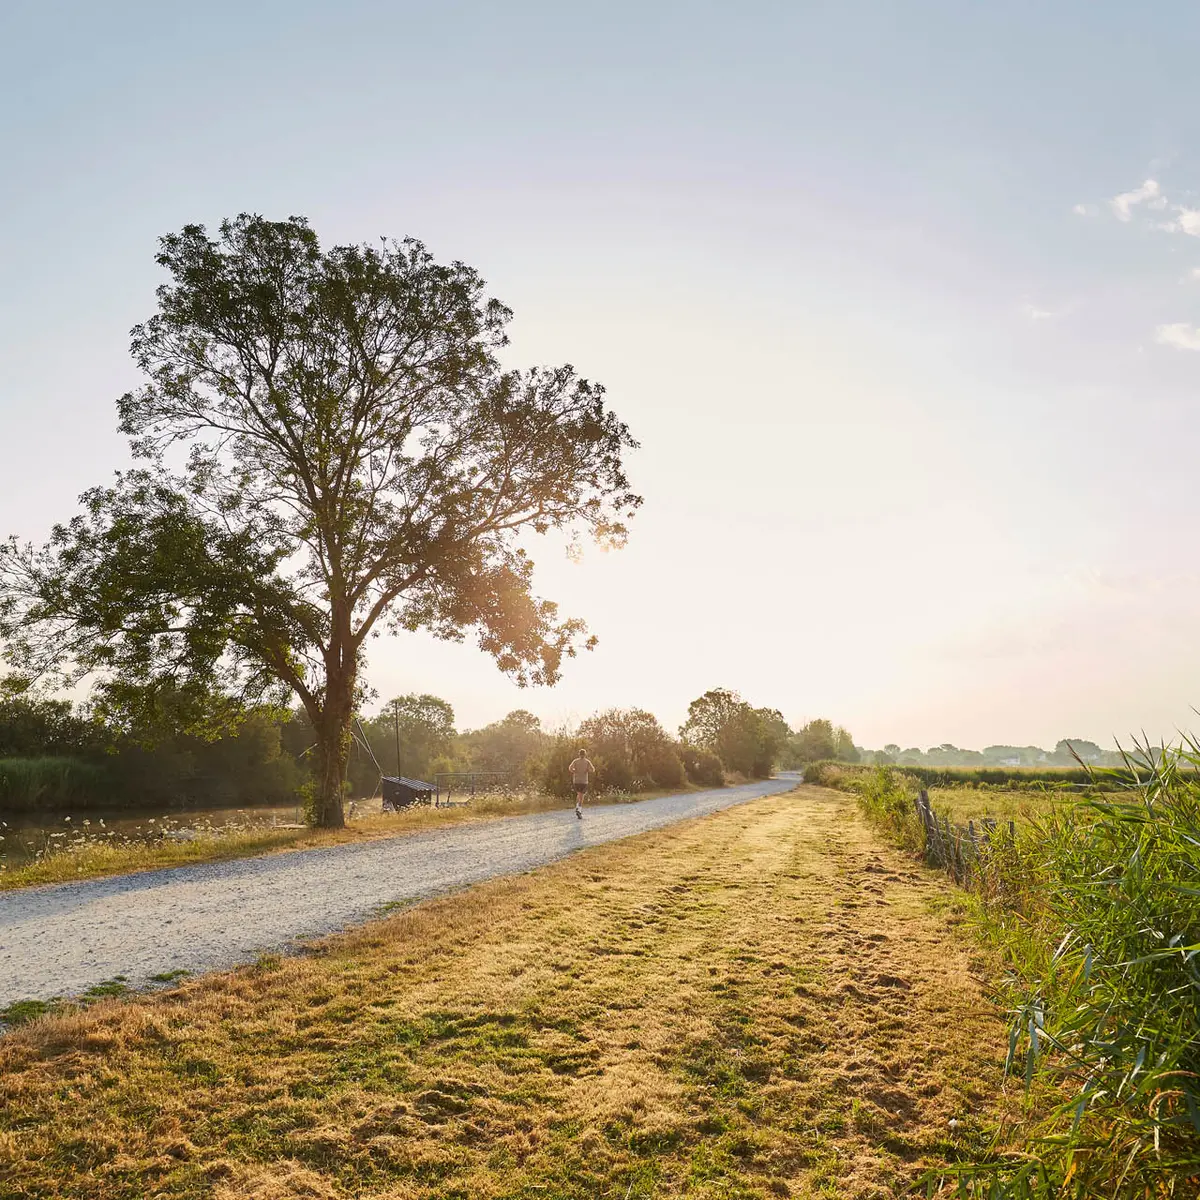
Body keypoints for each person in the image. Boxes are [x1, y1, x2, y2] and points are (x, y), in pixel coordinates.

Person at [568, 747, 594, 819]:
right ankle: (579, 810)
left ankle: (577, 807)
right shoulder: (587, 761)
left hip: (576, 781)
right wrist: (587, 770)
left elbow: (570, 768)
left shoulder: (575, 761)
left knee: (579, 794)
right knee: (581, 796)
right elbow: (593, 769)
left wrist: (574, 771)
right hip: (584, 781)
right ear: (585, 755)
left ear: (579, 754)